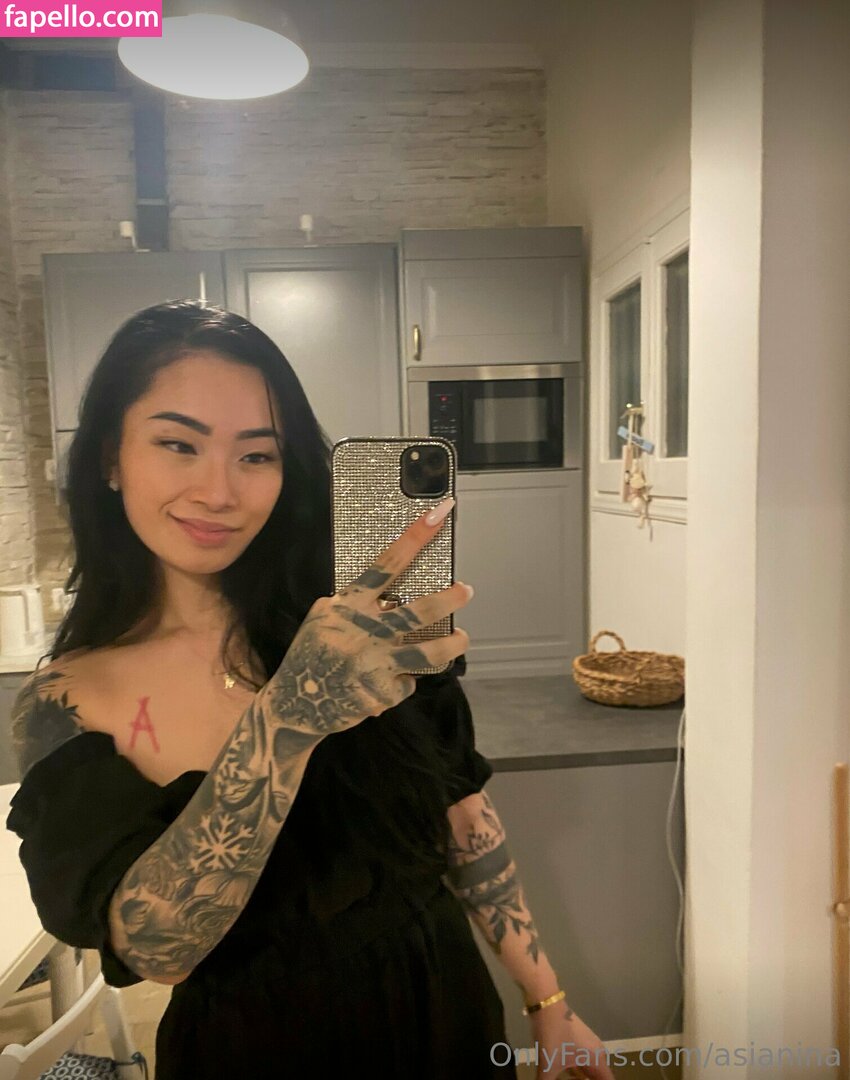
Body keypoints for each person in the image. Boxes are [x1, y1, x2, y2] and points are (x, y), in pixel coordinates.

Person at [6, 301, 614, 1080]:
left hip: (446, 1013)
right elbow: (157, 947)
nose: (220, 491)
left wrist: (548, 1000)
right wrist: (291, 714)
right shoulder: (68, 699)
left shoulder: (354, 630)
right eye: (179, 444)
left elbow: (461, 812)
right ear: (110, 458)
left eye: (257, 455)